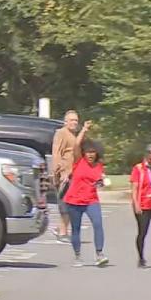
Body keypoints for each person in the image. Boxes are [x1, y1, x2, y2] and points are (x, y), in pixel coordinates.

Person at [62, 120, 108, 267]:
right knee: (75, 229)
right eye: (88, 152)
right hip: (74, 200)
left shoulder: (99, 166)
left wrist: (101, 183)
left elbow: (100, 180)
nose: (90, 155)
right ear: (84, 153)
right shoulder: (78, 161)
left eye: (92, 152)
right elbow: (76, 145)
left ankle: (99, 254)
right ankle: (78, 256)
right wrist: (84, 130)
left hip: (91, 200)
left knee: (98, 224)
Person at [51, 110, 80, 243]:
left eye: (76, 120)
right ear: (65, 121)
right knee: (65, 204)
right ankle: (62, 233)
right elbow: (56, 152)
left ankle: (60, 228)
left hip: (73, 173)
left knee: (71, 204)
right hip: (64, 174)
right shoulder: (61, 133)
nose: (74, 122)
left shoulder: (74, 135)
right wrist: (58, 172)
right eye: (72, 120)